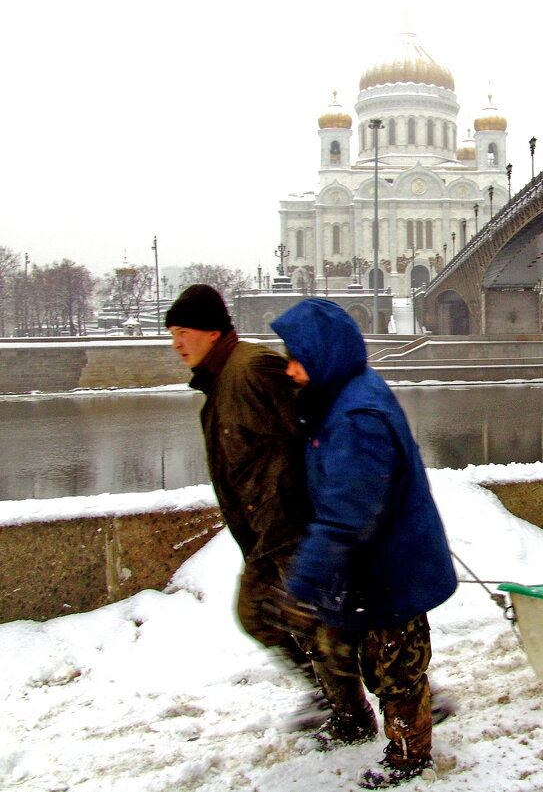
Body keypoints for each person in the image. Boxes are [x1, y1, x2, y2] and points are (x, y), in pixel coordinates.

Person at [164, 284, 378, 744]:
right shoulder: (220, 380)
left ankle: (358, 711)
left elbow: (317, 424)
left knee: (317, 624)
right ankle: (337, 699)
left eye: (183, 332)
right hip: (265, 530)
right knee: (263, 615)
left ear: (211, 330)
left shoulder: (252, 368)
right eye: (172, 334)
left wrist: (341, 502)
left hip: (292, 525)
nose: (176, 343)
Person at [271, 298, 458, 789]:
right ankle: (392, 717)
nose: (289, 369)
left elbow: (349, 515)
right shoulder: (339, 398)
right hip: (372, 569)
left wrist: (306, 580)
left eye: (295, 358)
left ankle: (410, 757)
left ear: (321, 356)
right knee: (367, 657)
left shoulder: (356, 415)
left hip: (392, 569)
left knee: (396, 674)